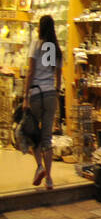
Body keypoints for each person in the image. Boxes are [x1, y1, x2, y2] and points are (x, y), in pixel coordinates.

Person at [22, 14, 61, 191]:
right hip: (51, 94)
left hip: (36, 94)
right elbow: (58, 75)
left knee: (32, 133)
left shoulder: (36, 45)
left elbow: (30, 72)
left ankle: (39, 167)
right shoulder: (54, 48)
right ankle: (50, 179)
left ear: (40, 27)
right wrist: (57, 92)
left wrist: (25, 96)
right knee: (47, 138)